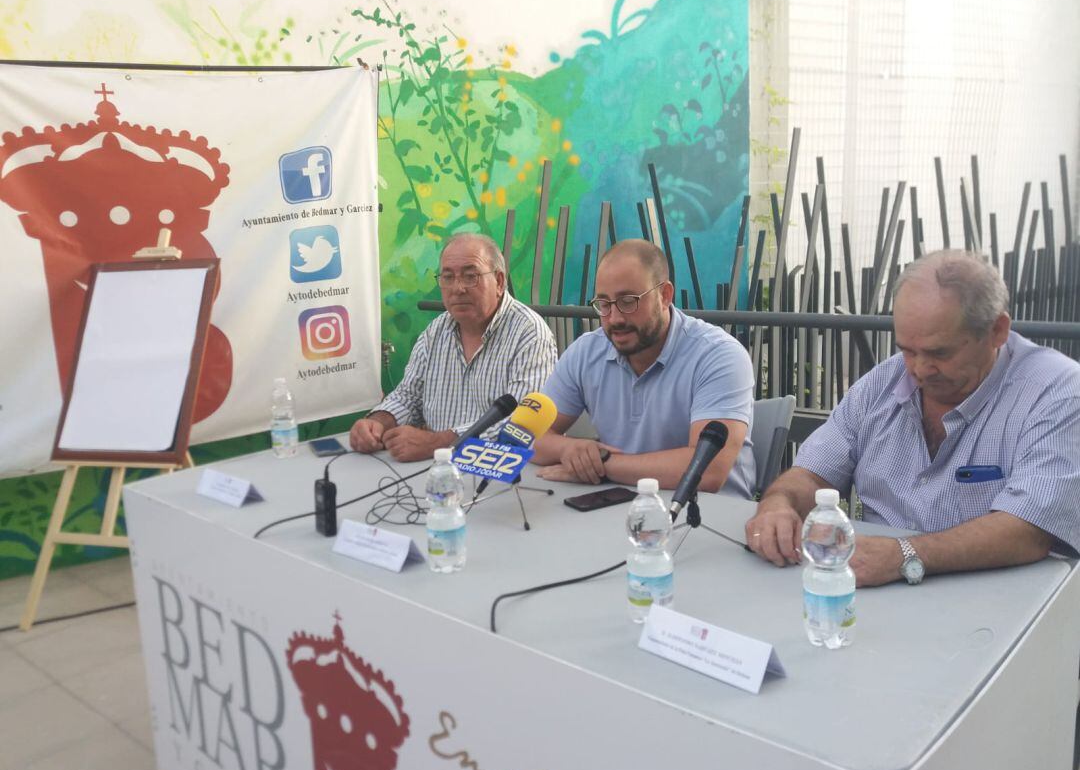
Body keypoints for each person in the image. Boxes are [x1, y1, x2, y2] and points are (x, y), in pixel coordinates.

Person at [746, 250, 1080, 586]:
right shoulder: (881, 383)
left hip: (999, 600)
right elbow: (813, 475)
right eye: (906, 349)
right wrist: (778, 503)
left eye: (940, 353)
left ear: (997, 331)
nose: (919, 369)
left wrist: (904, 555)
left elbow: (1029, 529)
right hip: (871, 589)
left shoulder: (1057, 392)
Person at [532, 238, 756, 497]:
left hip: (708, 518)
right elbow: (528, 435)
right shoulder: (587, 351)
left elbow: (708, 470)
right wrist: (568, 451)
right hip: (618, 508)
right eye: (604, 304)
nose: (615, 319)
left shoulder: (718, 355)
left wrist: (602, 464)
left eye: (628, 301)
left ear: (665, 295)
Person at [350, 233, 557, 461]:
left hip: (500, 472)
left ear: (499, 281)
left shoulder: (529, 333)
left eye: (471, 276)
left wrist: (438, 443)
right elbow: (408, 396)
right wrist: (377, 422)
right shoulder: (436, 331)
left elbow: (522, 424)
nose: (458, 288)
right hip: (434, 470)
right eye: (447, 277)